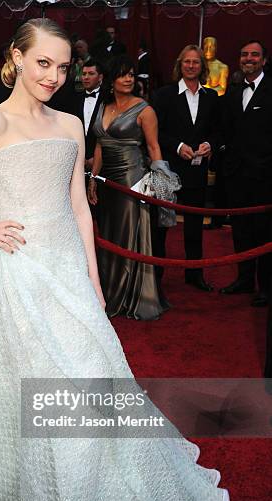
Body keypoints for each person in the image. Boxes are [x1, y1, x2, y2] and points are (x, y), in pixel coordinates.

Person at [0, 18, 229, 501]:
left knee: (89, 379)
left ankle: (97, 494)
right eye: (43, 64)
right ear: (16, 58)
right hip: (16, 276)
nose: (54, 76)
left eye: (62, 66)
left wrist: (93, 280)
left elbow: (80, 208)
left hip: (67, 274)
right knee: (28, 391)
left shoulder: (70, 124)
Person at [88, 55, 169, 320]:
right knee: (109, 236)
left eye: (132, 75)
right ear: (111, 80)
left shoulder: (145, 109)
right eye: (123, 75)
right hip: (107, 182)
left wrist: (162, 186)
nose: (128, 79)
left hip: (132, 181)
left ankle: (133, 296)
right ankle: (109, 293)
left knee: (128, 237)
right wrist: (92, 179)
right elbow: (100, 145)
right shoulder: (103, 108)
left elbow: (153, 147)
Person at [152, 45, 219, 292]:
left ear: (202, 67)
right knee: (161, 226)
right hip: (168, 171)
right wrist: (178, 145)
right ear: (180, 65)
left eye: (196, 62)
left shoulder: (212, 97)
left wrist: (209, 143)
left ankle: (194, 275)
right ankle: (155, 275)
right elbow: (155, 131)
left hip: (197, 172)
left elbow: (217, 130)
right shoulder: (164, 95)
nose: (191, 66)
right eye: (187, 62)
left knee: (194, 226)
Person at [220, 40, 272, 307]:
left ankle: (265, 286)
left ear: (264, 60)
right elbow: (226, 131)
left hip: (264, 178)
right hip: (237, 176)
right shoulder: (233, 90)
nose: (248, 58)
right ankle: (244, 279)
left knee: (264, 233)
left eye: (254, 55)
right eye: (244, 54)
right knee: (240, 231)